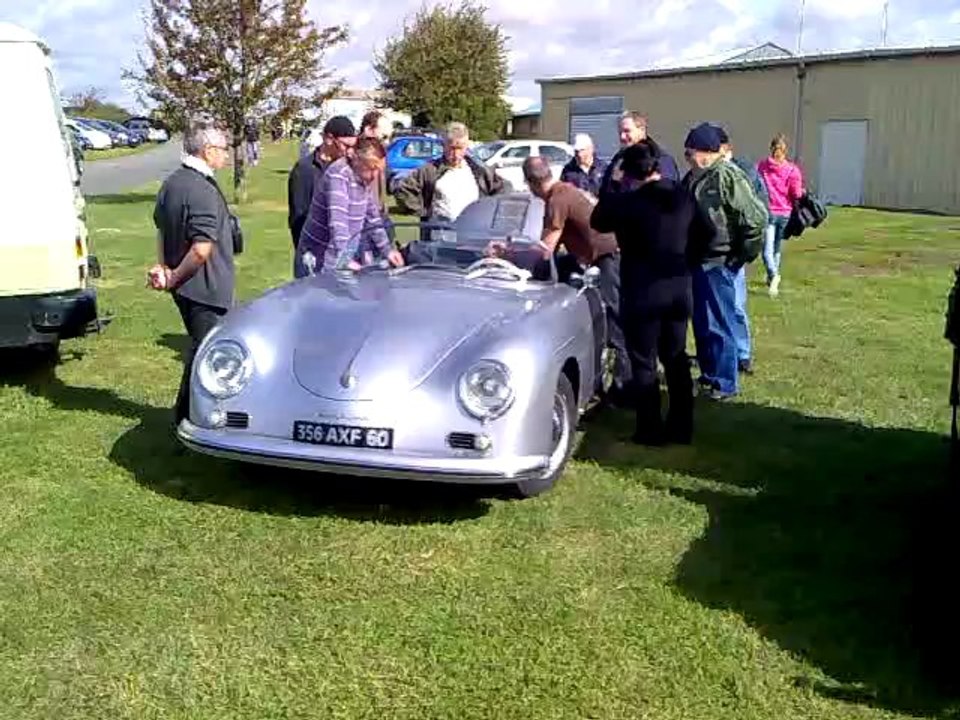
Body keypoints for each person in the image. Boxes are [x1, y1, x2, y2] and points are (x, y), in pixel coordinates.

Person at [591, 140, 713, 444]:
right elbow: (708, 233)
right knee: (675, 356)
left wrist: (613, 183)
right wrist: (688, 260)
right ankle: (682, 427)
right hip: (677, 286)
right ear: (657, 166)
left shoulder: (629, 203)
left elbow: (598, 220)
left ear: (630, 172)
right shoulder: (683, 197)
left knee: (643, 359)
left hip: (642, 289)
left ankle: (649, 429)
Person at [491, 156, 631, 402]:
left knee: (617, 320)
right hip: (606, 255)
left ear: (530, 183)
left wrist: (506, 253)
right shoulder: (565, 190)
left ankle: (626, 390)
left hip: (609, 258)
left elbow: (545, 250)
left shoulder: (557, 199)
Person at [148, 119, 238, 428]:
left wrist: (164, 268)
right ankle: (190, 419)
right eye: (224, 149)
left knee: (201, 349)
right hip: (204, 287)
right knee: (207, 354)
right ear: (208, 150)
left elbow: (161, 229)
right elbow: (201, 249)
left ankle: (189, 416)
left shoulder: (172, 182)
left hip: (186, 286)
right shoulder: (200, 188)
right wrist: (173, 275)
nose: (227, 155)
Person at [683, 122, 768, 401]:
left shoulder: (728, 176)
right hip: (697, 260)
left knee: (721, 323)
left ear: (706, 152)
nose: (687, 158)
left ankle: (724, 382)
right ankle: (709, 375)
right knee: (703, 324)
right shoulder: (694, 176)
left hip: (719, 262)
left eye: (691, 152)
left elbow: (755, 219)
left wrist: (739, 257)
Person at [295, 136, 404, 277]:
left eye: (380, 171)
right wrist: (346, 260)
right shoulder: (338, 175)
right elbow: (338, 223)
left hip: (341, 255)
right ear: (358, 161)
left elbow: (373, 218)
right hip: (317, 259)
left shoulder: (363, 181)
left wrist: (387, 251)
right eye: (372, 169)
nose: (375, 175)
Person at [717, 125, 768, 375]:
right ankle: (722, 354)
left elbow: (758, 212)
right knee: (718, 307)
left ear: (726, 149)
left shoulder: (744, 172)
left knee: (735, 305)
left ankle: (742, 353)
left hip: (734, 251)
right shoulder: (705, 174)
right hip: (714, 252)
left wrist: (743, 252)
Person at [394, 121, 505, 225]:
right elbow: (403, 189)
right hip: (438, 234)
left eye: (460, 148)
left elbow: (502, 189)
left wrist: (489, 213)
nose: (456, 154)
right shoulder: (430, 170)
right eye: (452, 148)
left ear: (467, 146)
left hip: (472, 232)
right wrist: (423, 212)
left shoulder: (479, 170)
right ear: (443, 146)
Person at [287, 116, 357, 254]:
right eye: (346, 146)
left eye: (352, 146)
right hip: (314, 251)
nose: (349, 152)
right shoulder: (305, 169)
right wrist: (305, 252)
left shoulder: (348, 169)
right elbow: (298, 216)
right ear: (329, 139)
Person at [757, 133, 805, 297]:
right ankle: (773, 278)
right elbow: (796, 193)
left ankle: (773, 275)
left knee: (766, 250)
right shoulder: (792, 170)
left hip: (769, 211)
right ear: (785, 151)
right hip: (785, 212)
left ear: (771, 149)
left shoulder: (762, 166)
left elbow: (757, 186)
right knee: (776, 247)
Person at [600, 111, 680, 194]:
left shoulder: (660, 159)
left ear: (642, 130)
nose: (622, 137)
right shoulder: (618, 160)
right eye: (620, 132)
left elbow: (666, 196)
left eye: (627, 131)